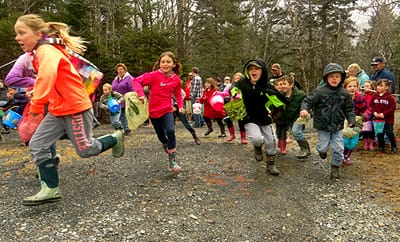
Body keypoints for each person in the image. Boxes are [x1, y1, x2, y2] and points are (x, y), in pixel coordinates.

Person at [14, 14, 124, 206]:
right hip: (58, 109)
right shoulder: (43, 51)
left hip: (75, 108)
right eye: (17, 34)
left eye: (22, 33)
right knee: (38, 144)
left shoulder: (45, 50)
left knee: (85, 150)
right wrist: (36, 92)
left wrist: (37, 103)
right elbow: (55, 80)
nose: (17, 38)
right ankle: (50, 188)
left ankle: (115, 138)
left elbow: (47, 75)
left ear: (38, 34)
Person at [300, 63, 355, 179]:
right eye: (331, 76)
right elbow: (308, 100)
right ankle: (321, 150)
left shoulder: (344, 94)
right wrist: (305, 109)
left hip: (337, 125)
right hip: (323, 124)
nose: (334, 79)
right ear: (326, 78)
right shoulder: (320, 91)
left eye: (337, 77)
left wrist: (351, 120)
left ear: (341, 78)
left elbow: (349, 109)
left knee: (339, 148)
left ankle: (335, 167)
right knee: (323, 147)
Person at [132, 51, 184, 173]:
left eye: (168, 62)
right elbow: (135, 81)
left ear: (174, 64)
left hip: (167, 109)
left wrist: (180, 106)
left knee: (171, 131)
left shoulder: (176, 80)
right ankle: (166, 144)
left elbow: (177, 94)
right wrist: (140, 94)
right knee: (162, 137)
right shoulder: (154, 75)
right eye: (163, 62)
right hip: (154, 112)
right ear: (159, 64)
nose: (165, 64)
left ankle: (173, 161)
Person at [236, 58, 287, 176]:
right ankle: (257, 147)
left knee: (271, 141)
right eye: (251, 69)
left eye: (257, 69)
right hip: (249, 118)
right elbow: (233, 89)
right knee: (256, 139)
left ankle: (271, 164)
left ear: (262, 71)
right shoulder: (242, 83)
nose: (253, 71)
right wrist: (234, 95)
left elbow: (277, 99)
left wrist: (277, 108)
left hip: (264, 118)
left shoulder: (266, 86)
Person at [279, 75, 310, 159]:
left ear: (291, 84)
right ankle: (282, 147)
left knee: (296, 132)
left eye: (284, 84)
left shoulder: (300, 94)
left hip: (298, 117)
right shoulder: (280, 95)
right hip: (286, 118)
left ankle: (305, 149)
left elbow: (307, 104)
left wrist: (305, 111)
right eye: (281, 84)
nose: (282, 86)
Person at [342, 76, 368, 165]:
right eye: (349, 86)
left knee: (353, 141)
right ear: (345, 88)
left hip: (357, 122)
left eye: (354, 86)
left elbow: (367, 108)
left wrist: (366, 115)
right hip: (344, 122)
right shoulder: (342, 98)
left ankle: (347, 156)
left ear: (358, 87)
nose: (352, 88)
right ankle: (342, 154)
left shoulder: (360, 98)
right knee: (344, 140)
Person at [370, 79, 397, 153]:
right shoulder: (374, 95)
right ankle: (381, 147)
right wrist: (374, 112)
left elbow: (392, 108)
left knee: (389, 132)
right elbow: (371, 105)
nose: (378, 87)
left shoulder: (390, 97)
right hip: (378, 119)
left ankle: (393, 145)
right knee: (379, 132)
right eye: (378, 85)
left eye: (381, 86)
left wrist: (384, 114)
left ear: (386, 87)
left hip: (388, 119)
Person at [223, 72, 247, 144]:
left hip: (241, 105)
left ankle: (243, 137)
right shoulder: (231, 86)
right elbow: (225, 92)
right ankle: (232, 135)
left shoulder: (245, 86)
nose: (237, 80)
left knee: (241, 121)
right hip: (232, 104)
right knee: (228, 119)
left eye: (238, 78)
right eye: (235, 78)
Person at [111, 63, 133, 135]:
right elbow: (112, 88)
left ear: (124, 70)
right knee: (118, 115)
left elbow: (132, 89)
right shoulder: (115, 79)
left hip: (126, 99)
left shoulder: (129, 78)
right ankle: (121, 129)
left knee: (123, 114)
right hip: (116, 101)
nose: (120, 71)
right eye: (118, 69)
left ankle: (126, 128)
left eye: (121, 69)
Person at [362, 80, 377, 150]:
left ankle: (371, 143)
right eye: (364, 86)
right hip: (364, 115)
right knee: (365, 130)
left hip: (372, 115)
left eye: (367, 86)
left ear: (372, 87)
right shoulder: (362, 95)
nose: (365, 88)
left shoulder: (374, 96)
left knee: (371, 130)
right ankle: (365, 143)